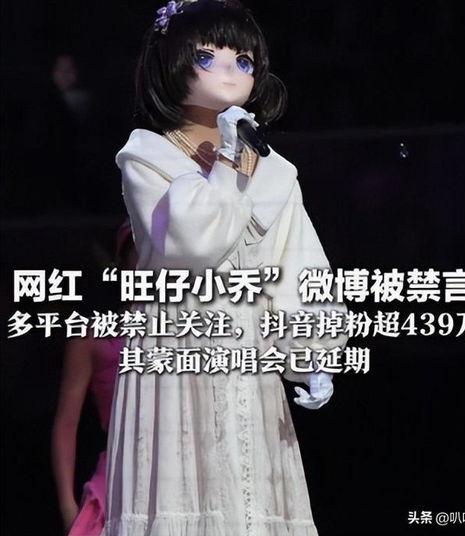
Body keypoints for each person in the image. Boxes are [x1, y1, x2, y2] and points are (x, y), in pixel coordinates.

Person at [105, 1, 348, 534]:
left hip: (247, 354)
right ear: (171, 63)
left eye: (243, 60)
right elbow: (190, 245)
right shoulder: (147, 156)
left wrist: (312, 354)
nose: (230, 70)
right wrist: (227, 160)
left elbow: (297, 265)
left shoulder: (275, 171)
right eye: (206, 56)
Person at [52, 221, 136, 535]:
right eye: (136, 253)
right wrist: (68, 506)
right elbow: (66, 423)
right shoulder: (92, 338)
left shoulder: (187, 336)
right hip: (115, 481)